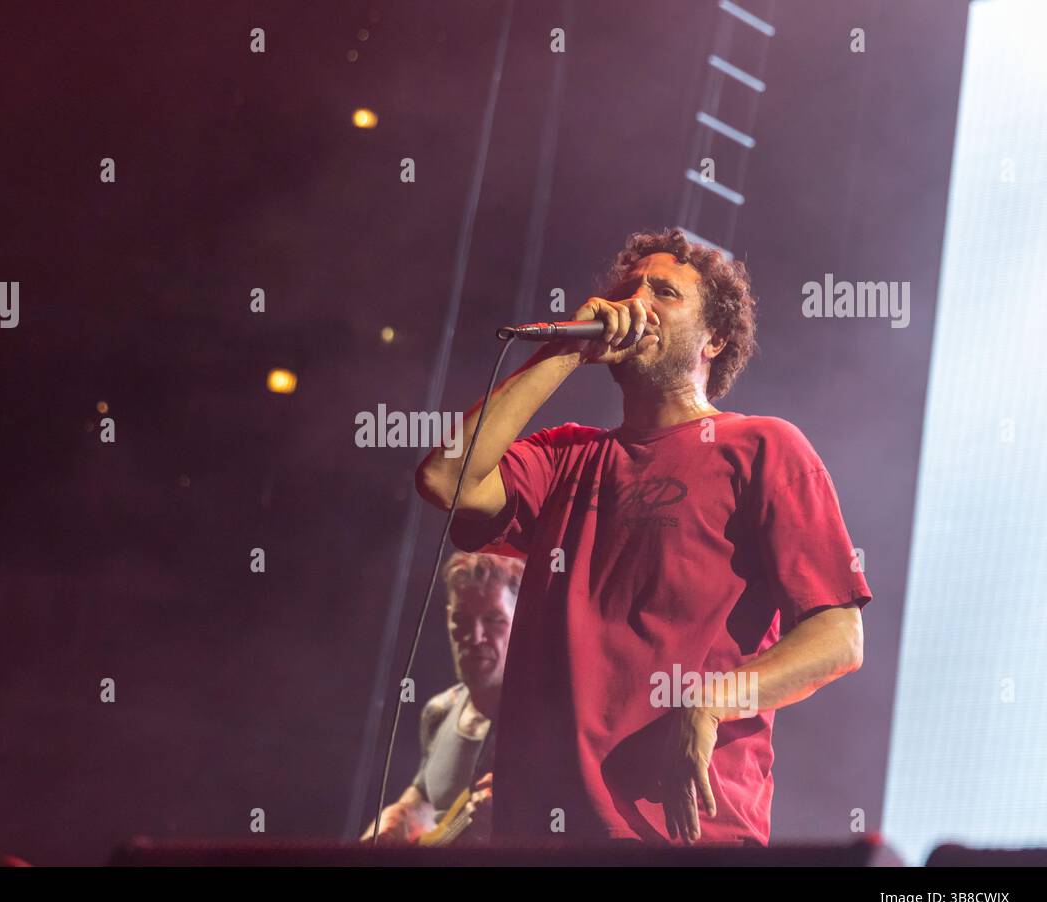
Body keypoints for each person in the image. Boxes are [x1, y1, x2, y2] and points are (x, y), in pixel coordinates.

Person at [414, 228, 872, 846]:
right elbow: (446, 479)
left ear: (714, 339)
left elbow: (838, 636)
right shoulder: (565, 457)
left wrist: (711, 701)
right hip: (538, 837)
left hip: (683, 835)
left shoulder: (762, 447)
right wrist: (564, 351)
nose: (636, 303)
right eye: (629, 289)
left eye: (664, 292)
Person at [361, 549, 524, 844]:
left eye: (493, 620)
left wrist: (510, 823)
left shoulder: (537, 722)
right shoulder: (439, 710)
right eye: (461, 620)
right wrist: (397, 819)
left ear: (521, 622)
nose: (475, 637)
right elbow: (425, 798)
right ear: (448, 618)